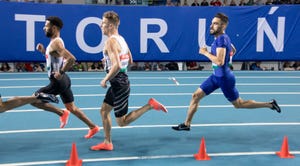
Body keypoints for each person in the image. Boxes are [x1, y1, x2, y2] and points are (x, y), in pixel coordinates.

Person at [172, 13, 281, 131]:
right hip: (216, 76)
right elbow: (233, 50)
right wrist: (228, 57)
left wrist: (205, 53)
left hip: (224, 78)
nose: (211, 26)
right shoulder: (222, 38)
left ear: (223, 26)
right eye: (212, 23)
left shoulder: (221, 40)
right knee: (195, 96)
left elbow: (219, 61)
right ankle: (187, 124)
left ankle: (270, 104)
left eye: (215, 24)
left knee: (239, 104)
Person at [90, 11, 168, 151]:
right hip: (119, 82)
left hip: (118, 83)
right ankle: (107, 142)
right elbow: (130, 59)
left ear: (111, 26)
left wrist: (105, 79)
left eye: (103, 23)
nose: (101, 25)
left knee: (122, 122)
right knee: (104, 111)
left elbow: (117, 65)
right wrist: (108, 60)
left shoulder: (110, 41)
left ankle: (150, 105)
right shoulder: (121, 38)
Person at [35, 16, 99, 138]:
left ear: (54, 28)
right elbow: (55, 57)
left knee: (34, 100)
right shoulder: (55, 42)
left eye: (46, 25)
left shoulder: (56, 43)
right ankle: (93, 127)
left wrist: (61, 72)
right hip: (64, 81)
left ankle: (61, 113)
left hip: (58, 81)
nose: (44, 28)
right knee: (72, 107)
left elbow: (71, 59)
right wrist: (43, 51)